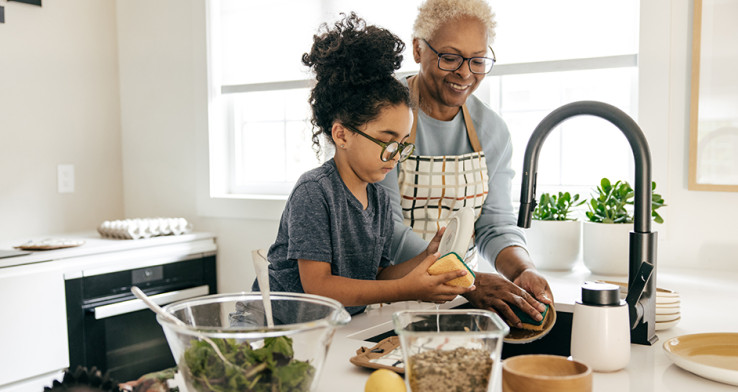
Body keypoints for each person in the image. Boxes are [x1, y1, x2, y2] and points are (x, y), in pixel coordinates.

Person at [254, 12, 474, 316]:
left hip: (329, 328)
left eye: (401, 145)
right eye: (386, 141)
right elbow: (320, 287)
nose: (395, 156)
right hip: (275, 328)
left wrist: (428, 256)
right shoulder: (315, 192)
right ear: (342, 134)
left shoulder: (379, 200)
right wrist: (407, 289)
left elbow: (378, 277)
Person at [377, 0, 553, 328]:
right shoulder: (383, 117)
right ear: (418, 49)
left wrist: (522, 269)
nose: (465, 73)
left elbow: (494, 225)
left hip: (459, 299)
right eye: (450, 57)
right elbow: (387, 231)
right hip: (386, 299)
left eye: (478, 60)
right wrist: (467, 279)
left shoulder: (492, 130)